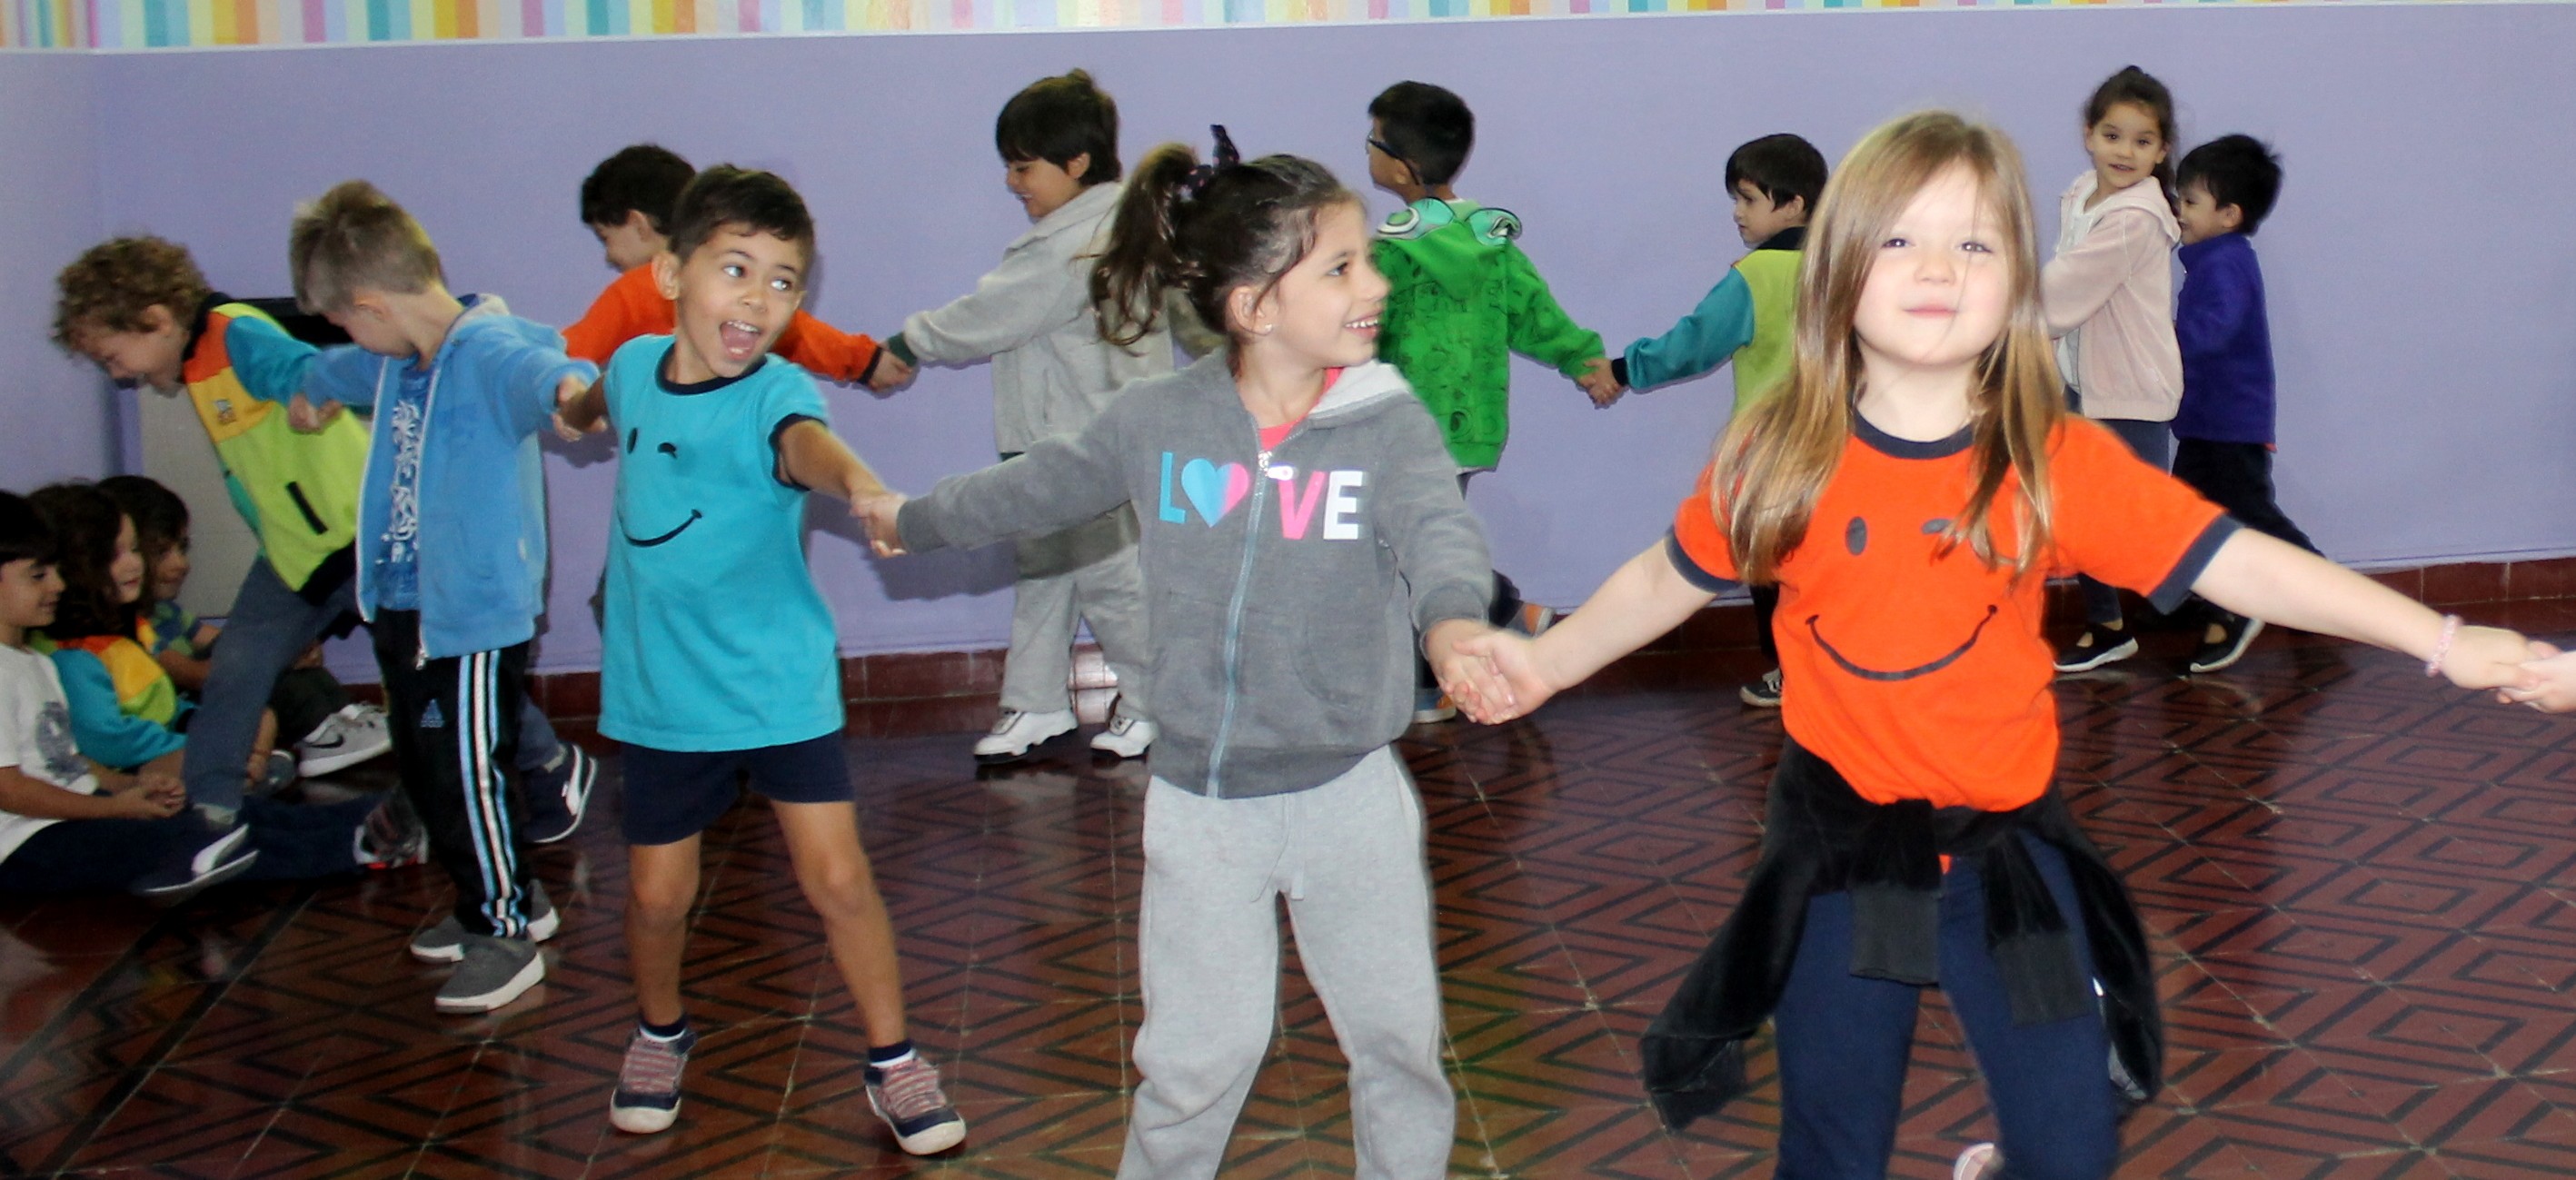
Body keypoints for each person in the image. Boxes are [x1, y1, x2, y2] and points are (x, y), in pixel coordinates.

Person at [1448, 111, 2540, 1180]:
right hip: (1841, 856)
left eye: (1974, 243)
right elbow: (1667, 577)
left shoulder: (2048, 457)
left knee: (2070, 1145)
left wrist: (2444, 638)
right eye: (1900, 239)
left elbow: (2239, 561)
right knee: (1832, 1148)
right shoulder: (1780, 453)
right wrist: (1543, 664)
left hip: (2002, 856)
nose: (1939, 268)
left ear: (2017, 279)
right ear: (1837, 268)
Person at [864, 134, 1499, 1180]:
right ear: (1254, 307)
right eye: (1342, 267)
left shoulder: (1387, 422)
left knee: (1399, 1051)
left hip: (1352, 793)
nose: (1375, 285)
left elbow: (1440, 537)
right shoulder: (1158, 420)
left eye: (1367, 262)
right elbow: (1034, 486)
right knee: (1196, 1064)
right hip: (1205, 805)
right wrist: (911, 518)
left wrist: (1453, 623)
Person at [553, 165, 964, 1153]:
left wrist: (862, 486)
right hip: (661, 689)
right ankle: (659, 1032)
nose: (759, 300)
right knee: (656, 897)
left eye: (784, 282)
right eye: (735, 270)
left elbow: (808, 446)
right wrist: (570, 403)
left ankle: (894, 1059)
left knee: (839, 880)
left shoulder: (776, 391)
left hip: (778, 684)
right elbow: (591, 406)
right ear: (670, 275)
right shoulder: (632, 370)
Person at [50, 238, 597, 842]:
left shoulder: (233, 335)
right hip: (294, 556)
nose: (118, 375)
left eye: (113, 357)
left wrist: (311, 393)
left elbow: (305, 369)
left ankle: (549, 763)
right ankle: (209, 817)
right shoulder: (199, 363)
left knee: (442, 671)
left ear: (155, 320)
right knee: (235, 669)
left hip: (358, 538)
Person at [283, 181, 593, 1014]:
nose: (349, 337)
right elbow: (339, 366)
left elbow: (547, 370)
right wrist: (312, 384)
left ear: (371, 305)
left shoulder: (485, 349)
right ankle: (501, 896)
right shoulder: (396, 359)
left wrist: (572, 397)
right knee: (427, 764)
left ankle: (504, 930)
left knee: (465, 769)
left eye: (344, 320)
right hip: (405, 607)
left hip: (470, 614)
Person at [879, 70, 1176, 764]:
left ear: (1076, 163)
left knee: (1111, 581)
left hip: (1089, 449)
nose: (1013, 183)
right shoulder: (1095, 227)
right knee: (1045, 571)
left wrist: (906, 344)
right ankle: (1037, 701)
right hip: (1055, 442)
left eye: (1023, 167)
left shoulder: (1084, 240)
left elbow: (996, 313)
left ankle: (1155, 703)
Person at [1364, 80, 1613, 721]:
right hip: (1469, 425)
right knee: (1423, 545)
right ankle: (1483, 634)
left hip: (1404, 429)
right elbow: (1535, 313)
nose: (1366, 152)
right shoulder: (1491, 241)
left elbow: (1358, 330)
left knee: (1412, 552)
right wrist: (1585, 360)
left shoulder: (1389, 253)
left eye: (1372, 141)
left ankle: (1490, 626)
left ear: (1400, 167)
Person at [25, 482, 422, 879]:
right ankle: (358, 840)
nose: (135, 565)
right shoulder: (71, 657)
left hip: (151, 758)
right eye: (117, 554)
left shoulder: (125, 631)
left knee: (245, 782)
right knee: (221, 829)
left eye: (134, 550)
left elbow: (166, 697)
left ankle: (371, 817)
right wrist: (190, 749)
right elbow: (104, 739)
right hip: (138, 768)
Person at [1606, 132, 1828, 708]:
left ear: (1794, 204)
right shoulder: (1849, 266)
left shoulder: (1757, 275)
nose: (1737, 213)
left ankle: (1790, 671)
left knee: (1768, 564)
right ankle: (1837, 669)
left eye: (1749, 199)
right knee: (1833, 560)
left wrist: (1624, 369)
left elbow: (1695, 345)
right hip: (1844, 443)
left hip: (1771, 450)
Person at [95, 473, 392, 778]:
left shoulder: (166, 613)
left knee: (265, 647)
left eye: (182, 549)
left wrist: (289, 646)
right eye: (162, 553)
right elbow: (195, 675)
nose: (181, 564)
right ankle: (320, 733)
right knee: (261, 668)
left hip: (210, 697)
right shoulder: (134, 630)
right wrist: (272, 658)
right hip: (189, 709)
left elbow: (226, 640)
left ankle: (344, 715)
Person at [2043, 66, 2185, 672]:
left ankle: (2231, 602)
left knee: (2146, 526)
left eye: (2141, 141)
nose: (2124, 151)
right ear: (2088, 136)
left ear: (2162, 150)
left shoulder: (2133, 219)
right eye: (2112, 135)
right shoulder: (2084, 194)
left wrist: (1986, 314)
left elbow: (2059, 293)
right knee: (2078, 513)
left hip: (2129, 392)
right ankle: (2106, 626)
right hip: (2083, 385)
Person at [565, 142, 907, 390]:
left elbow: (568, 355)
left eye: (606, 238)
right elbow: (801, 334)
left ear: (638, 225)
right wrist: (867, 362)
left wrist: (551, 381)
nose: (609, 257)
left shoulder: (634, 292)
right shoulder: (740, 290)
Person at [2168, 134, 2317, 672]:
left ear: (2229, 215)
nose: (2179, 210)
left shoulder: (2226, 262)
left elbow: (2215, 329)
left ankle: (2320, 589)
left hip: (2230, 424)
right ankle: (2215, 597)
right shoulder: (2212, 258)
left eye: (2190, 201)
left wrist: (2163, 343)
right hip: (2207, 423)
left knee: (2251, 515)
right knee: (2191, 510)